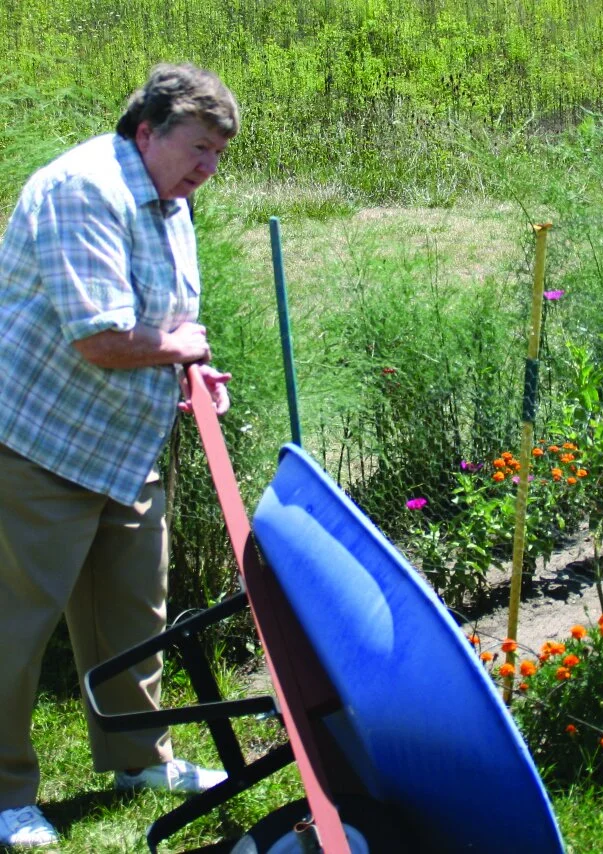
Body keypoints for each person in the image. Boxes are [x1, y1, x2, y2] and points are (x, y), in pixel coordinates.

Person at [0, 63, 239, 848]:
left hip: (125, 446)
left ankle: (139, 757)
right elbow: (101, 337)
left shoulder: (168, 200)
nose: (208, 169)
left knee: (134, 615)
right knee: (15, 628)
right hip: (40, 444)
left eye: (217, 156)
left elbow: (167, 320)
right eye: (199, 149)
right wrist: (179, 345)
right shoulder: (84, 189)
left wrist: (193, 366)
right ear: (147, 131)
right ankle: (4, 795)